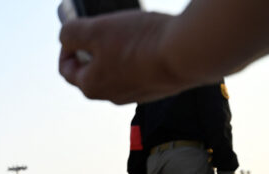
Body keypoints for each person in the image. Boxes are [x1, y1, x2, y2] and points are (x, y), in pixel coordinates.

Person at [59, 0, 269, 104]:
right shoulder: (202, 77)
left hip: (158, 163)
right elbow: (213, 112)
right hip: (187, 158)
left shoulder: (144, 79)